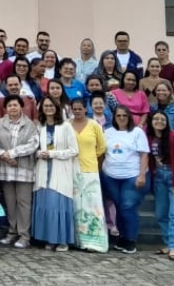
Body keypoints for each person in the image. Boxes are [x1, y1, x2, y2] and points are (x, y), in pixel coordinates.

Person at [30, 96, 78, 252]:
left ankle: (62, 240)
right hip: (43, 171)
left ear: (56, 107)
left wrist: (53, 154)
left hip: (60, 171)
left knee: (57, 205)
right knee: (45, 205)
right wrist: (39, 154)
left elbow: (74, 150)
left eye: (51, 105)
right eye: (45, 105)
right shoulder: (40, 127)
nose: (48, 108)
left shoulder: (66, 126)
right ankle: (49, 239)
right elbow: (34, 149)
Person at [101, 105, 149, 254]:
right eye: (118, 115)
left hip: (132, 175)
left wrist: (141, 175)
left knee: (127, 207)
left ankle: (131, 239)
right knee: (118, 206)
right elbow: (102, 152)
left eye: (124, 115)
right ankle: (121, 237)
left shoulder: (137, 132)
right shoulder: (108, 132)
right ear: (114, 118)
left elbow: (144, 154)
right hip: (111, 176)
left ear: (129, 117)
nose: (121, 118)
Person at [0, 95, 37, 249]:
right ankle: (12, 232)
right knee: (10, 203)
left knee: (24, 203)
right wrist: (3, 155)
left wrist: (12, 154)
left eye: (15, 105)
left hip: (23, 169)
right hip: (5, 169)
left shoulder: (29, 124)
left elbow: (33, 144)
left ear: (21, 107)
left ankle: (24, 235)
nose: (13, 108)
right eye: (9, 105)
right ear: (6, 108)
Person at [147, 109, 174, 260]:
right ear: (151, 122)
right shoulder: (149, 137)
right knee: (161, 214)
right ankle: (168, 243)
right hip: (159, 177)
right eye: (156, 119)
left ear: (167, 122)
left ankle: (173, 246)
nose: (159, 122)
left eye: (162, 119)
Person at [69, 97, 108, 253]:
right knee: (75, 207)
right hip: (71, 169)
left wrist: (90, 157)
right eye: (75, 109)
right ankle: (76, 239)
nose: (77, 111)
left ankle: (94, 242)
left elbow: (102, 147)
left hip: (90, 170)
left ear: (86, 109)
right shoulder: (66, 125)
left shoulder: (94, 125)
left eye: (80, 108)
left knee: (92, 207)